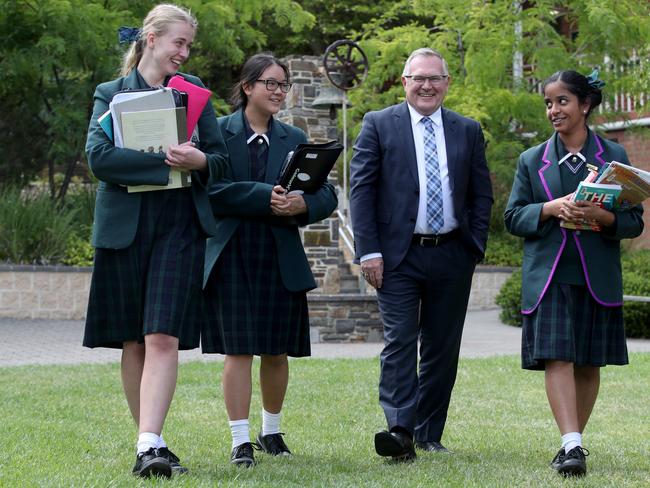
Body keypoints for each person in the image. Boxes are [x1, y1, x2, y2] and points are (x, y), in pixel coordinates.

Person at [83, 3, 227, 478]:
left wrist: (200, 161)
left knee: (162, 334)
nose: (183, 53)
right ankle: (152, 444)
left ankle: (146, 444)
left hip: (178, 225)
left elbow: (222, 161)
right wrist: (168, 161)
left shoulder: (196, 95)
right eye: (177, 42)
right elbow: (99, 158)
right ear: (150, 38)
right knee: (133, 342)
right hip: (125, 226)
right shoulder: (110, 93)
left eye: (188, 44)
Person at [349, 48, 493, 462]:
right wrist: (369, 251)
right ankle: (399, 429)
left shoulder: (467, 129)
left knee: (442, 347)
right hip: (396, 256)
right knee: (400, 341)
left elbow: (481, 193)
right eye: (419, 78)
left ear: (447, 83)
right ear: (404, 81)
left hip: (452, 254)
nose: (427, 85)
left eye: (435, 78)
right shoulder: (378, 124)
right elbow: (362, 191)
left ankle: (429, 432)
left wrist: (474, 245)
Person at [504, 69, 644, 477]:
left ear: (585, 105)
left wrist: (603, 216)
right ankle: (572, 443)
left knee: (588, 364)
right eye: (549, 103)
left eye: (562, 101)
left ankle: (572, 447)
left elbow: (634, 222)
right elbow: (513, 216)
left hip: (596, 276)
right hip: (548, 276)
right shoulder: (531, 161)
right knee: (558, 357)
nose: (553, 110)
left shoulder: (614, 157)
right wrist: (549, 208)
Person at [201, 53, 338, 467]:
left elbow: (326, 194)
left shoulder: (294, 137)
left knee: (277, 351)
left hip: (280, 254)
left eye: (284, 85)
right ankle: (240, 441)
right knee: (239, 350)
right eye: (271, 84)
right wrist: (264, 196)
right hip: (233, 252)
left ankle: (271, 432)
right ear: (247, 87)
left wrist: (301, 204)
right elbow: (210, 190)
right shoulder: (218, 133)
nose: (279, 92)